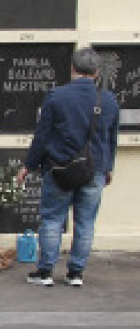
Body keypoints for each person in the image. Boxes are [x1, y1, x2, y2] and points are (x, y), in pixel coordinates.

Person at [16, 46, 119, 287]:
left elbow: (42, 135)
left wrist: (28, 165)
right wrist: (108, 166)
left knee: (52, 219)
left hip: (59, 168)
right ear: (96, 72)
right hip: (94, 169)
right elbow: (111, 137)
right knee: (85, 222)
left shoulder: (56, 96)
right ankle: (75, 273)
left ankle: (45, 272)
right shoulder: (109, 100)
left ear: (72, 67)